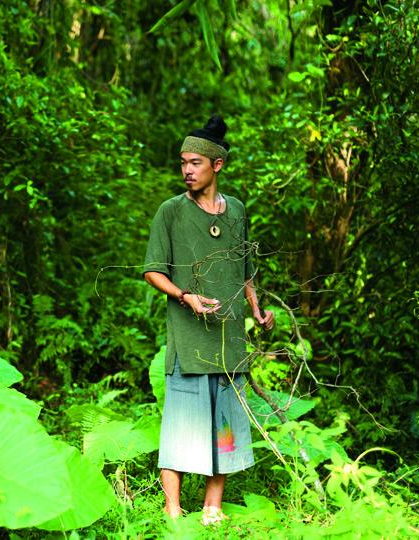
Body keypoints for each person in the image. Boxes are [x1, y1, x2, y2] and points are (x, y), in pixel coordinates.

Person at [143, 115, 274, 526]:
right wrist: (185, 296)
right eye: (183, 162)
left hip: (229, 339)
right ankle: (172, 510)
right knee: (180, 427)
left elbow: (246, 268)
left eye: (195, 162)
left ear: (216, 165)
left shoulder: (236, 210)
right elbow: (152, 271)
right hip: (188, 338)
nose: (186, 170)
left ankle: (212, 508)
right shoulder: (171, 212)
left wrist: (256, 308)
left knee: (224, 429)